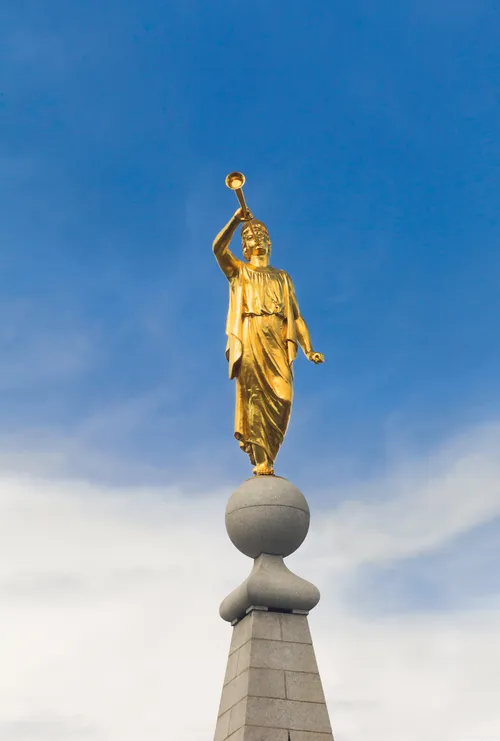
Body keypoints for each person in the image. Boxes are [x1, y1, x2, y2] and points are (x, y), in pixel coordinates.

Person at [213, 207, 324, 475]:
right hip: (251, 333)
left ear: (269, 242)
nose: (257, 238)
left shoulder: (282, 277)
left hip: (276, 337)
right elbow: (217, 249)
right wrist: (234, 221)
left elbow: (295, 317)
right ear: (244, 246)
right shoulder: (239, 271)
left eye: (262, 234)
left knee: (283, 398)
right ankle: (263, 459)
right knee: (255, 397)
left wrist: (309, 349)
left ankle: (270, 453)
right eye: (250, 235)